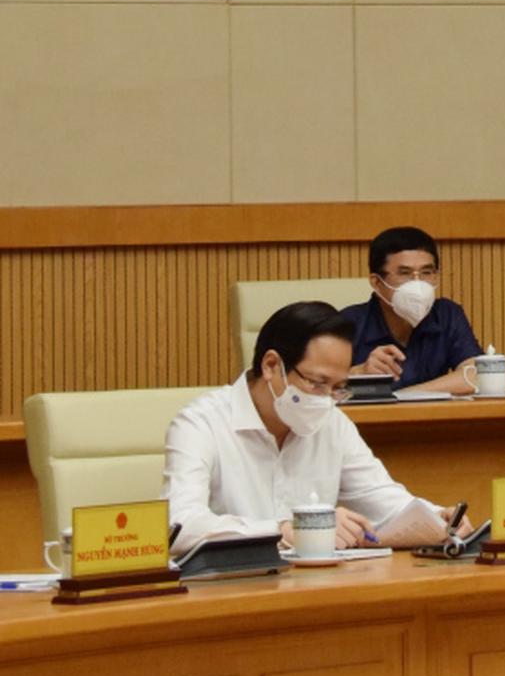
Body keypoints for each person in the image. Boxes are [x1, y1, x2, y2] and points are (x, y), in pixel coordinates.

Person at [162, 301, 470, 554]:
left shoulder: (332, 422)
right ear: (272, 366)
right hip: (231, 592)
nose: (326, 400)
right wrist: (287, 531)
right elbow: (178, 524)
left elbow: (382, 498)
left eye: (338, 388)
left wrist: (438, 516)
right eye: (318, 383)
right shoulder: (200, 423)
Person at [341, 226, 483, 393]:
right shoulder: (347, 323)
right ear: (377, 282)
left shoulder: (447, 315)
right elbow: (321, 386)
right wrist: (357, 373)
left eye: (426, 272)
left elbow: (476, 375)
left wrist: (403, 397)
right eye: (405, 273)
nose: (417, 283)